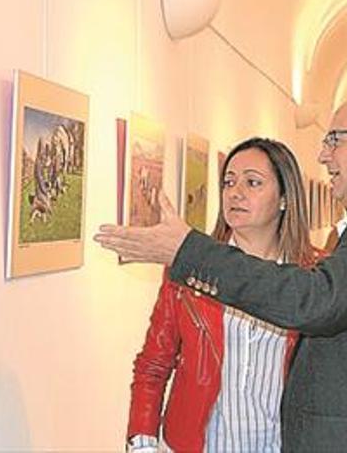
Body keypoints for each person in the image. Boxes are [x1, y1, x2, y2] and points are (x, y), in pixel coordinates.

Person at [96, 94, 347, 452]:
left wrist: (188, 250)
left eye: (335, 140)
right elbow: (154, 363)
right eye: (228, 181)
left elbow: (313, 302)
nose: (324, 154)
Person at [126, 138, 317, 452]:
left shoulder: (314, 277)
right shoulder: (188, 272)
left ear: (284, 198)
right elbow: (154, 363)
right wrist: (143, 443)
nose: (236, 192)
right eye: (229, 182)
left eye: (252, 182)